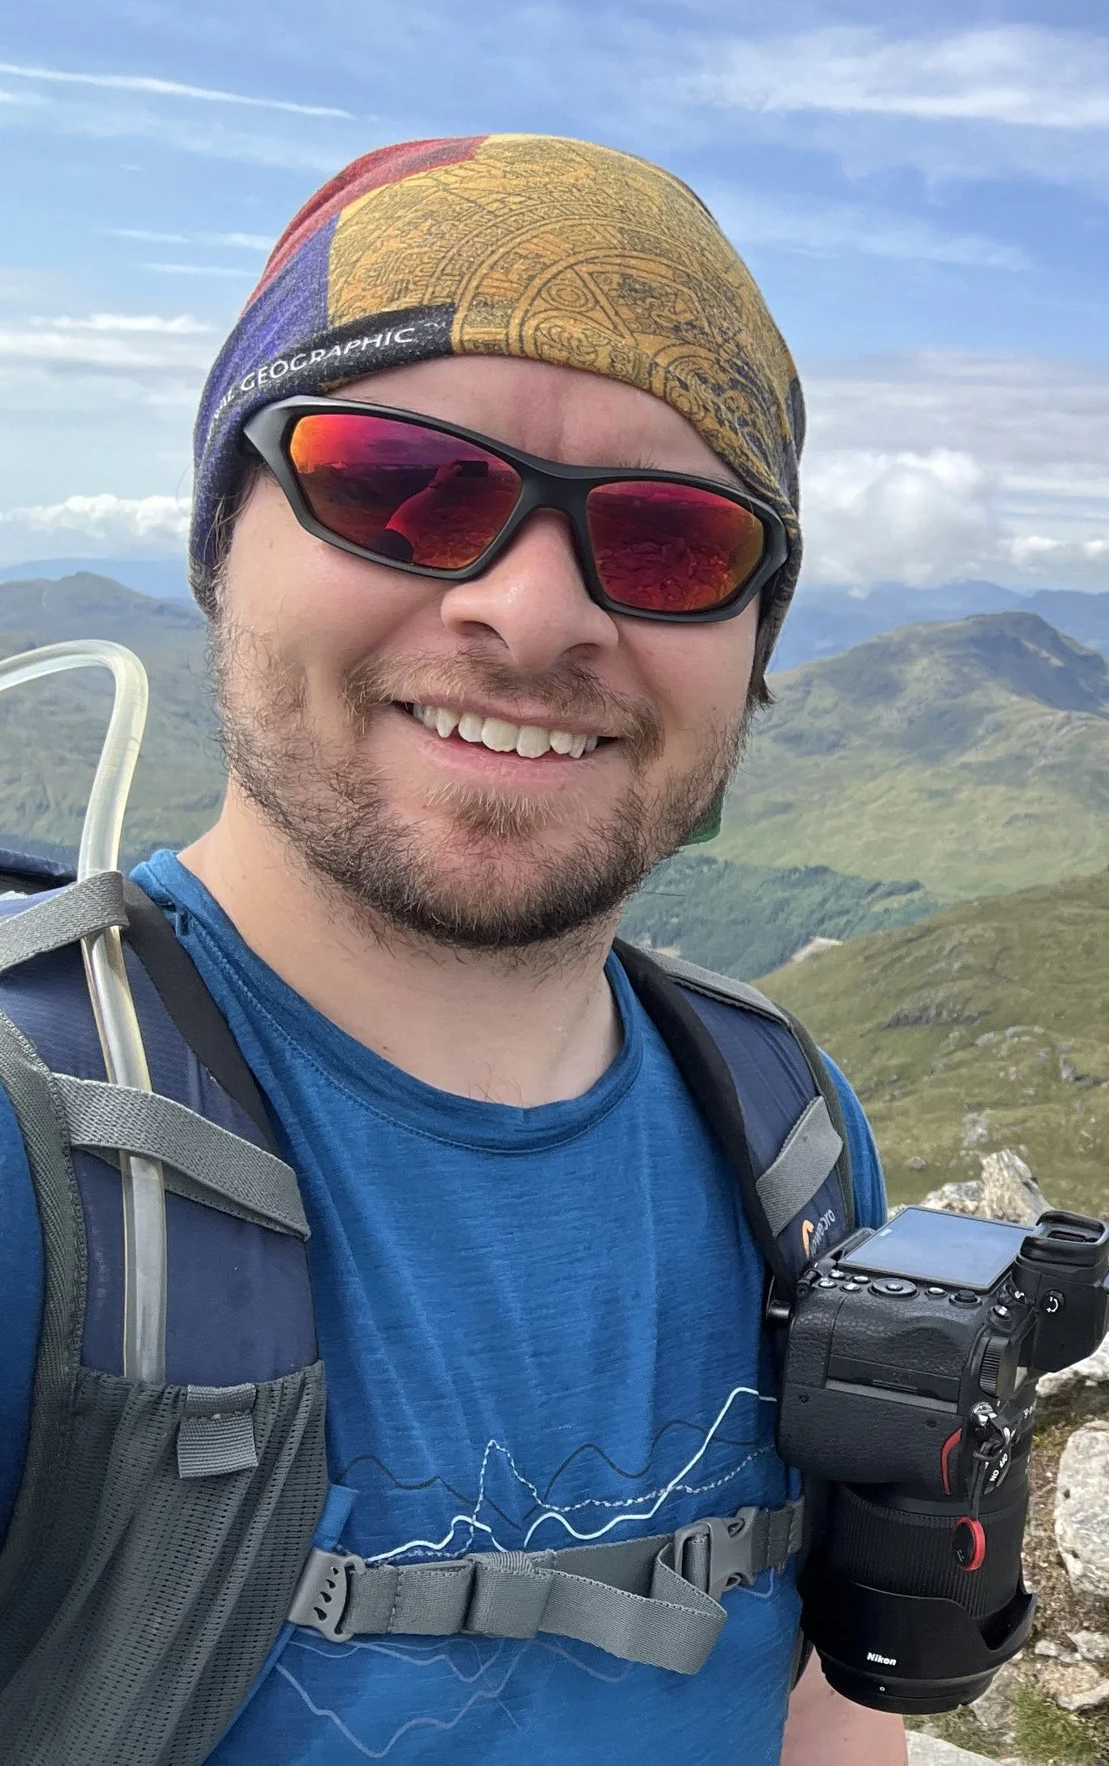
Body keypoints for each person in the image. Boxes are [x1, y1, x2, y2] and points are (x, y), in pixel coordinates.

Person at [0, 136, 907, 1763]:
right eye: (400, 483)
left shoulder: (794, 1132)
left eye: (672, 541)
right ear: (222, 539)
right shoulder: (35, 1156)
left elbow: (820, 1703)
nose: (536, 611)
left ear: (752, 644)